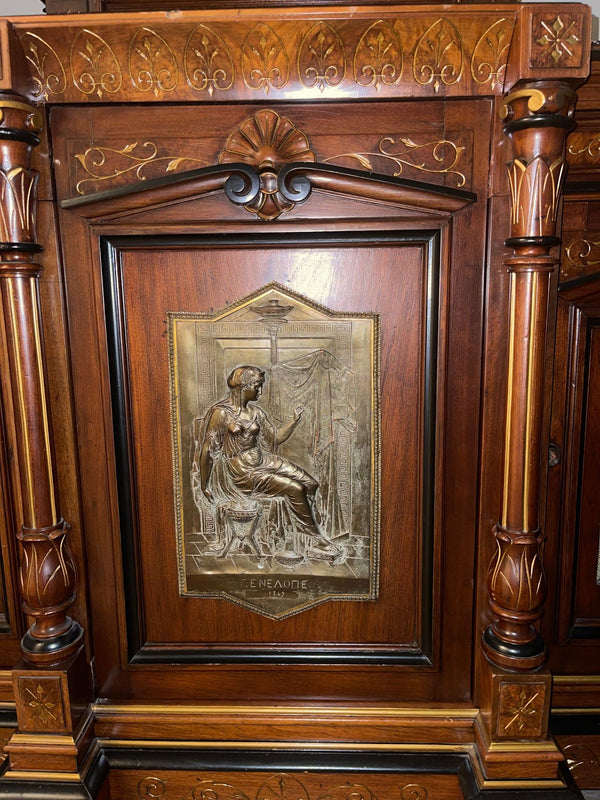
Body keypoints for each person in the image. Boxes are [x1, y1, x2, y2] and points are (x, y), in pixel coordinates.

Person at [194, 365, 337, 555]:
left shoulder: (256, 413)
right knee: (296, 488)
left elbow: (275, 438)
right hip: (244, 473)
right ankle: (315, 540)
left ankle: (304, 535)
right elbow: (207, 449)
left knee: (311, 483)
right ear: (243, 386)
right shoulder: (221, 413)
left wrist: (294, 421)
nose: (260, 391)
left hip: (263, 462)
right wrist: (205, 485)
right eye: (257, 386)